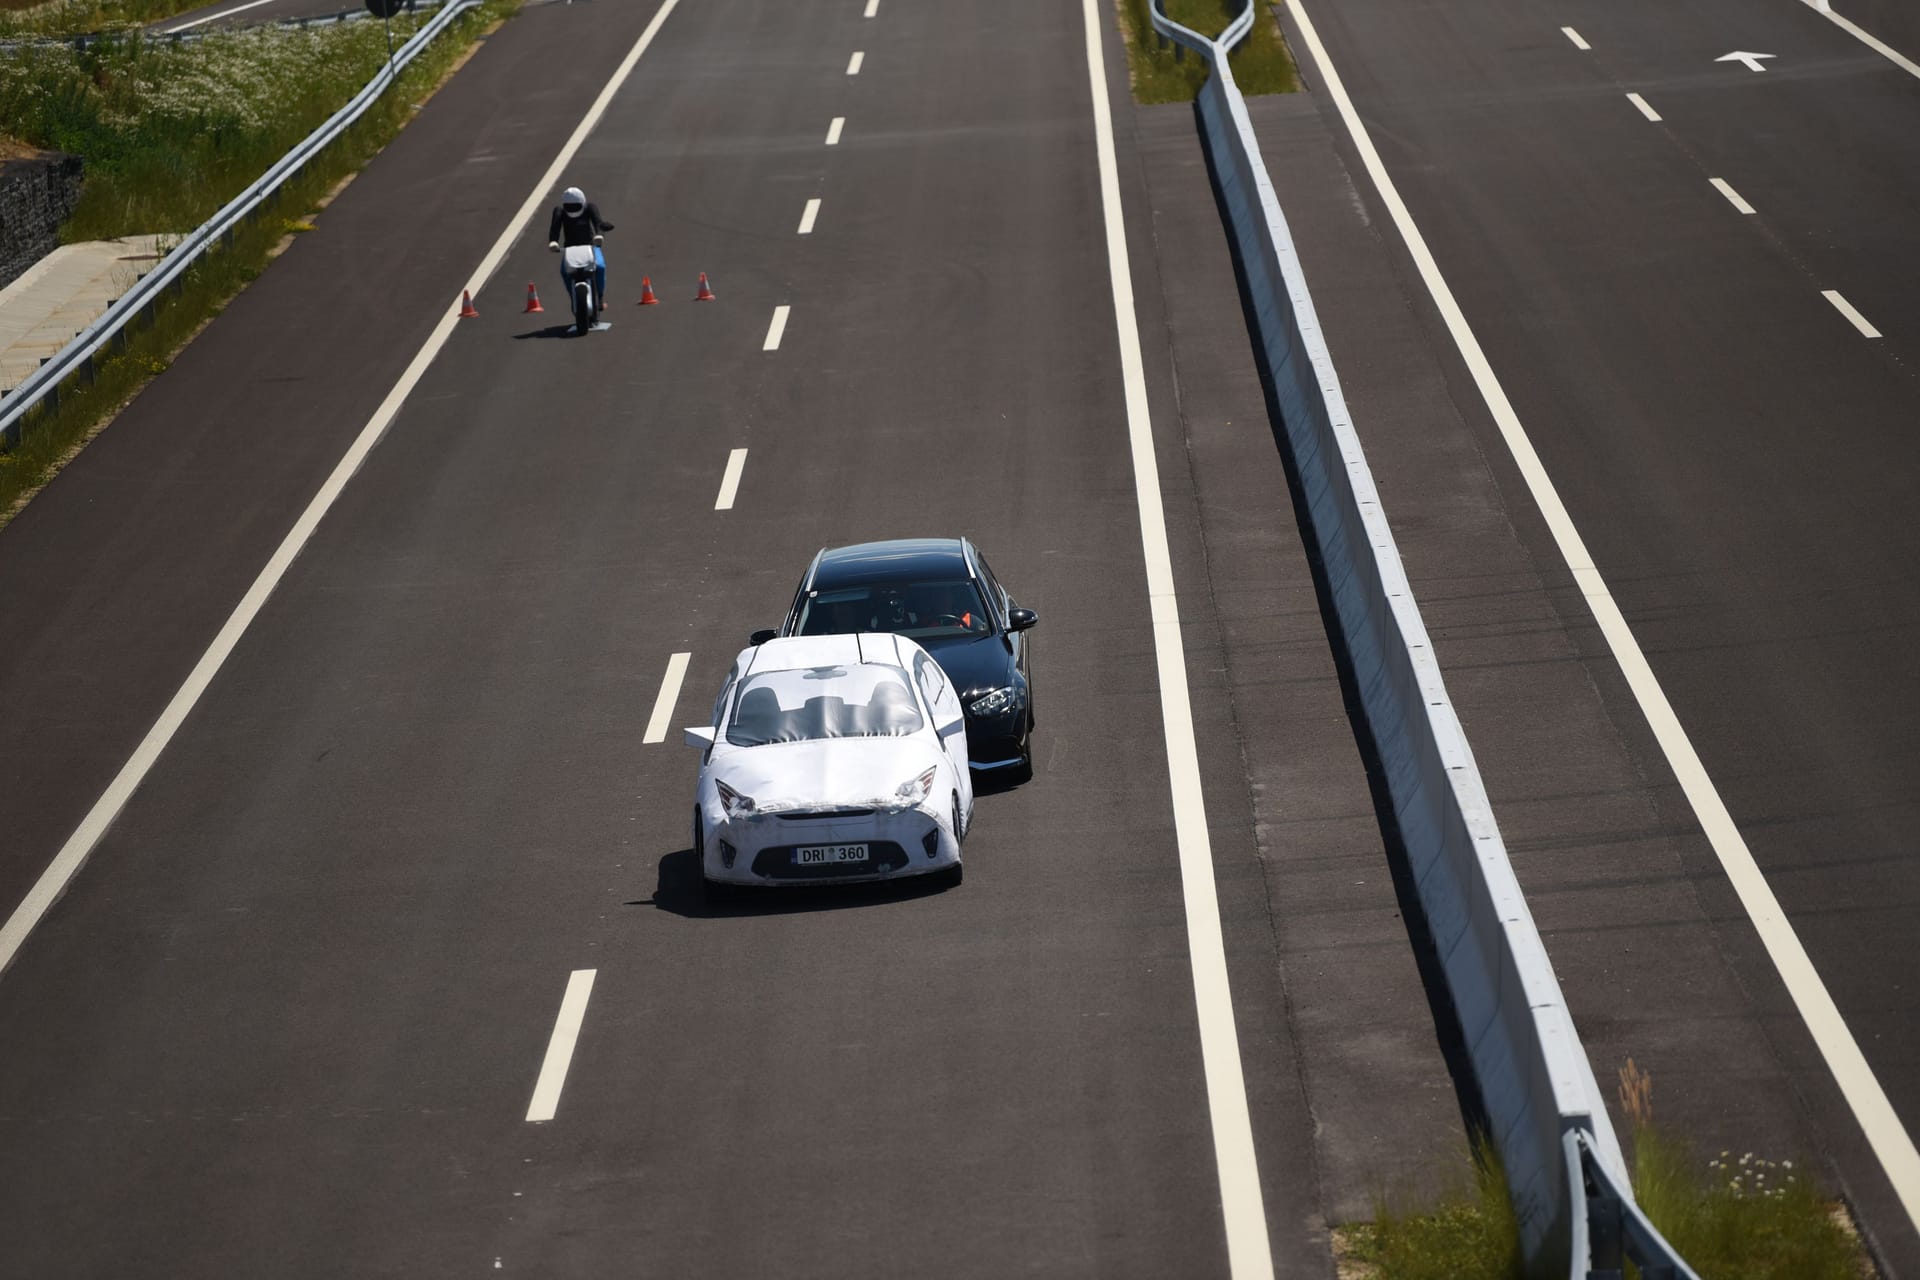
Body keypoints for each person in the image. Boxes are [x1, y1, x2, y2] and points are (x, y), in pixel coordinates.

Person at [546, 186, 614, 305]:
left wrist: (599, 235)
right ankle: (573, 297)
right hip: (569, 249)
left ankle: (600, 296)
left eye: (575, 205)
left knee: (600, 267)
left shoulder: (590, 208)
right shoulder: (559, 212)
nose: (572, 209)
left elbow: (598, 223)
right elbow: (555, 228)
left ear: (582, 203)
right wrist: (553, 241)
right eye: (569, 206)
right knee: (564, 271)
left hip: (590, 246)